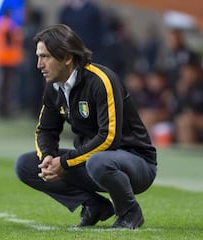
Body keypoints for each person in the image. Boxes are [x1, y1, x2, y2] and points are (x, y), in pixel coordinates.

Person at [15, 24, 157, 229]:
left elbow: (109, 138)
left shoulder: (101, 81)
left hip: (135, 162)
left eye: (45, 56)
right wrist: (48, 156)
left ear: (66, 58)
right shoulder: (53, 87)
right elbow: (46, 130)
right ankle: (94, 205)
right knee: (26, 165)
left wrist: (63, 163)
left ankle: (129, 212)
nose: (39, 64)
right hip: (91, 161)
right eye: (38, 56)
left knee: (98, 162)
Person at [0, 9, 23, 117]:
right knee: (7, 85)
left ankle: (1, 108)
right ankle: (4, 109)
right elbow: (10, 40)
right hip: (8, 58)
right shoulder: (9, 25)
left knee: (3, 85)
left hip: (1, 58)